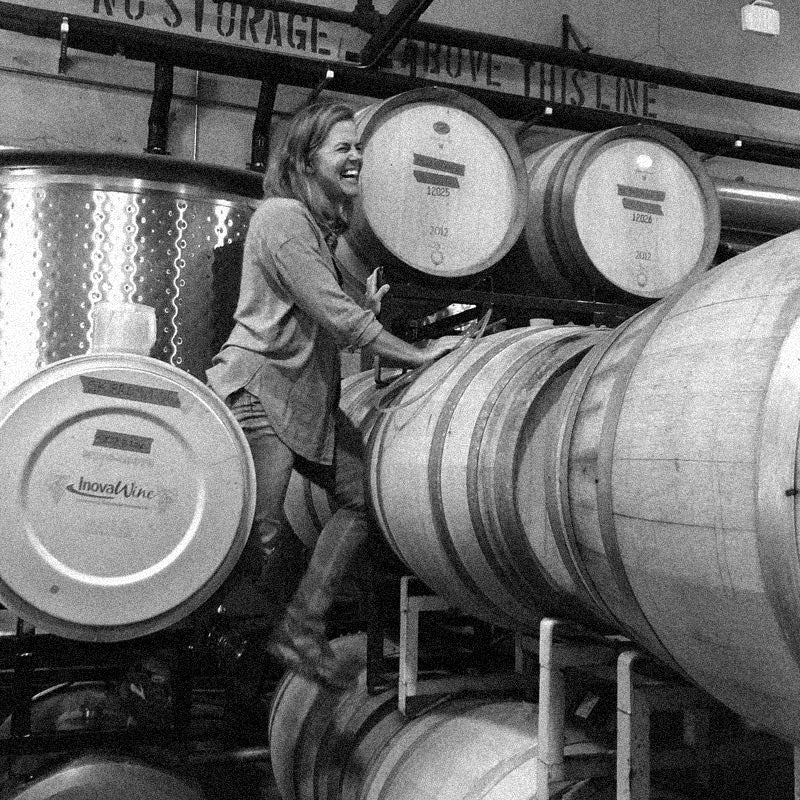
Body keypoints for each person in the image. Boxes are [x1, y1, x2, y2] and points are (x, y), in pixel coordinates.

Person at [206, 100, 455, 689]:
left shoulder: (320, 231)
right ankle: (211, 637)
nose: (356, 157)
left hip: (309, 396)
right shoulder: (282, 217)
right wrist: (419, 355)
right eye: (342, 147)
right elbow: (338, 317)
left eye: (358, 148)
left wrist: (367, 302)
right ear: (304, 159)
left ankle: (300, 626)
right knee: (260, 533)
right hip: (264, 389)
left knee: (361, 498)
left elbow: (339, 319)